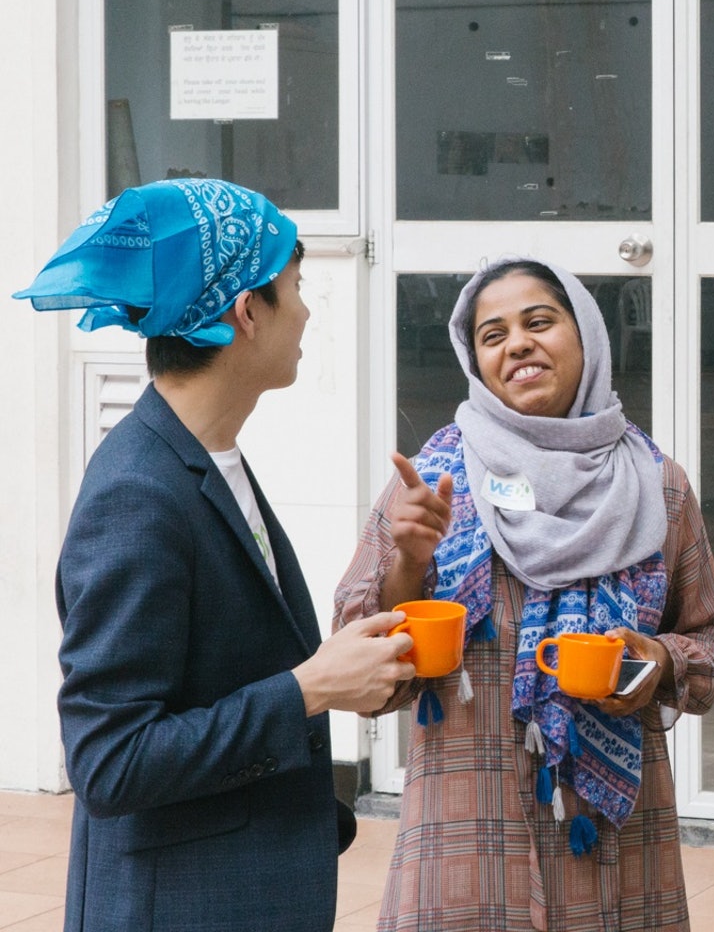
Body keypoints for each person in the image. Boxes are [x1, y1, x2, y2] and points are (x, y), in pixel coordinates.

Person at [14, 179, 417, 932]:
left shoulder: (206, 457)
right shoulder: (138, 494)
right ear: (247, 312)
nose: (306, 311)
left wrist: (343, 679)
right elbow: (111, 761)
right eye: (295, 288)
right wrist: (308, 688)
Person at [334, 256, 714, 932]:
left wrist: (656, 663)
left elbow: (710, 637)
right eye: (492, 335)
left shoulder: (657, 488)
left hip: (612, 844)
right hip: (469, 829)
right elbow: (362, 663)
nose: (516, 343)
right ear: (476, 361)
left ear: (586, 336)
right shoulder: (432, 484)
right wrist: (409, 561)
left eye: (539, 322)